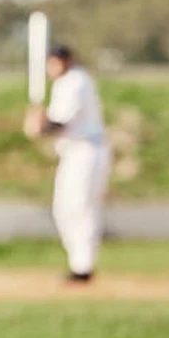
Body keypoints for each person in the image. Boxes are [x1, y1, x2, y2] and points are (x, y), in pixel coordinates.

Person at [23, 45, 111, 283]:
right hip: (73, 153)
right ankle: (78, 263)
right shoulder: (66, 84)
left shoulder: (75, 82)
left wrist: (39, 124)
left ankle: (83, 266)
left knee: (81, 208)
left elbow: (58, 123)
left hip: (87, 151)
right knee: (64, 209)